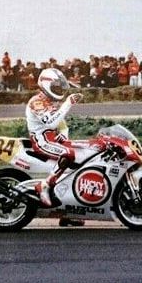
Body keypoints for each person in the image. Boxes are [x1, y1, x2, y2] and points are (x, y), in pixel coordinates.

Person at [26, 68, 91, 226]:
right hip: (41, 142)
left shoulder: (50, 102)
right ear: (46, 85)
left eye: (59, 87)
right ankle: (44, 186)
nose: (59, 90)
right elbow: (51, 122)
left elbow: (61, 124)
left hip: (52, 140)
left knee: (82, 154)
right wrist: (68, 103)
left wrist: (64, 134)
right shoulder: (36, 102)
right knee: (68, 154)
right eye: (55, 87)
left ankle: (67, 211)